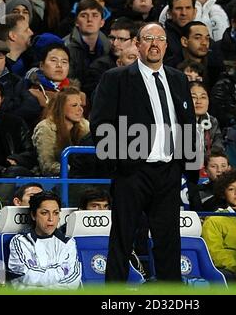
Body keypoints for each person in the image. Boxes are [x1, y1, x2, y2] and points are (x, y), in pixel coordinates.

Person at [90, 22, 198, 282]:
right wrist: (120, 163)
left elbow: (188, 123)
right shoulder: (116, 78)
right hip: (132, 173)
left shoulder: (178, 78)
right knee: (122, 240)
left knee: (169, 243)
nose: (154, 43)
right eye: (148, 38)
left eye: (159, 39)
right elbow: (100, 124)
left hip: (169, 171)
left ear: (166, 45)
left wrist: (188, 169)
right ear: (137, 44)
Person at [8, 191, 82, 289]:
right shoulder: (20, 241)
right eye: (44, 213)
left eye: (55, 213)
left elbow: (73, 280)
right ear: (33, 215)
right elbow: (26, 276)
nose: (51, 219)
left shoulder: (68, 242)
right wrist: (60, 270)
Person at [32, 86, 89, 176]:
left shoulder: (85, 125)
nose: (80, 109)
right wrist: (76, 171)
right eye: (74, 105)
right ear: (61, 107)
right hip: (56, 182)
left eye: (81, 105)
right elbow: (47, 166)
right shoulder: (46, 127)